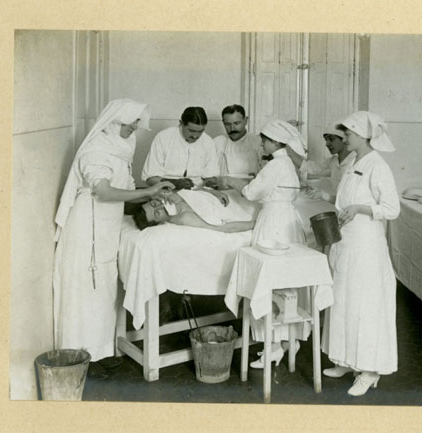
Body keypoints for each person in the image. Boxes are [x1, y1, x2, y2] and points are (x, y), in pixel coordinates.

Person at [53, 99, 174, 379]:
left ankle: (100, 351)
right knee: (84, 293)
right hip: (87, 226)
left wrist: (153, 193)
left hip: (108, 226)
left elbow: (126, 189)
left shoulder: (122, 149)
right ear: (114, 122)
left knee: (104, 292)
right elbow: (105, 192)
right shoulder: (95, 150)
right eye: (130, 124)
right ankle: (80, 355)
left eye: (136, 125)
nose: (134, 129)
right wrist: (150, 191)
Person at [321, 111, 400, 397]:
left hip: (367, 247)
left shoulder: (378, 165)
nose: (344, 138)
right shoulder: (355, 161)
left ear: (364, 136)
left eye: (349, 134)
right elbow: (348, 200)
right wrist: (326, 197)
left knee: (365, 307)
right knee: (343, 301)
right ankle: (345, 360)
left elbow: (392, 209)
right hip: (347, 243)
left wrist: (361, 210)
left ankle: (368, 370)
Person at [226, 119, 308, 369]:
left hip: (273, 222)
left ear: (274, 142)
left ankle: (274, 345)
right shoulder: (285, 164)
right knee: (287, 284)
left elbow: (251, 193)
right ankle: (286, 341)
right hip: (288, 221)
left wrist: (233, 183)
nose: (261, 143)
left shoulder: (276, 165)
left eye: (264, 140)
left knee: (271, 284)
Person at [141, 106, 219, 190]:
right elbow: (150, 179)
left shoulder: (208, 142)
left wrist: (210, 183)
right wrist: (175, 183)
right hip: (166, 191)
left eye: (200, 131)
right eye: (191, 131)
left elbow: (211, 176)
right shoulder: (163, 137)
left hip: (198, 192)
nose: (195, 136)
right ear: (181, 123)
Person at [132, 188, 255, 233]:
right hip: (237, 210)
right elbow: (223, 228)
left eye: (154, 203)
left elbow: (198, 190)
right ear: (159, 222)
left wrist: (214, 191)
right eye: (157, 213)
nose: (161, 206)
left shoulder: (173, 196)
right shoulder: (184, 218)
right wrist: (255, 224)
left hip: (233, 196)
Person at [300, 125, 356, 201]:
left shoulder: (356, 161)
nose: (327, 144)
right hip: (336, 205)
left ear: (344, 139)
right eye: (326, 140)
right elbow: (314, 168)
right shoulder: (333, 161)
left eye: (331, 139)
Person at [213, 104, 264, 176]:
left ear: (245, 120)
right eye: (227, 124)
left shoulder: (258, 141)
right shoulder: (216, 142)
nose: (232, 128)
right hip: (223, 187)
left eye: (236, 123)